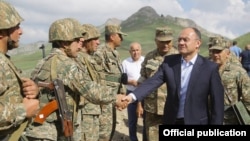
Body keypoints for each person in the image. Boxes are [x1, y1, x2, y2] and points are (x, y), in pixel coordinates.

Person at [24, 18, 125, 141]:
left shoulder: (43, 62)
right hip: (54, 130)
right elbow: (90, 90)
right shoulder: (65, 64)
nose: (80, 43)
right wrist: (115, 97)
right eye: (77, 40)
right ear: (64, 43)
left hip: (41, 130)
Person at [121, 27, 224, 125]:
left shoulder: (210, 68)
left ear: (198, 43)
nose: (181, 43)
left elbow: (217, 105)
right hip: (171, 121)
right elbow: (152, 82)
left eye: (185, 40)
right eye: (179, 40)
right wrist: (131, 96)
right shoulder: (169, 62)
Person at [0, 1, 40, 140]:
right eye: (16, 26)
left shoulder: (4, 60)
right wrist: (22, 111)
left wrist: (33, 90)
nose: (21, 31)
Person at [136, 26, 178, 141]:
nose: (165, 45)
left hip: (172, 109)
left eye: (168, 42)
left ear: (172, 40)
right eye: (162, 42)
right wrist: (139, 104)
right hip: (152, 109)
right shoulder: (149, 57)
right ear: (156, 41)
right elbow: (142, 81)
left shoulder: (180, 57)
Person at [93, 24, 127, 141]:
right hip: (103, 103)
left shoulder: (115, 54)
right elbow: (95, 78)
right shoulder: (100, 53)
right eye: (120, 36)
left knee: (110, 131)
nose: (122, 39)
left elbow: (116, 77)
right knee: (103, 134)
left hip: (112, 100)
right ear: (112, 37)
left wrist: (122, 94)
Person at [209, 40, 250, 124]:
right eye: (213, 51)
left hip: (231, 119)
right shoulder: (207, 71)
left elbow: (248, 98)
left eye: (219, 51)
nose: (215, 54)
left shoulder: (238, 72)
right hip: (212, 118)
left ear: (227, 53)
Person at [122, 42, 145, 141]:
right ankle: (133, 139)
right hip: (131, 94)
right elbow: (122, 79)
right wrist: (131, 82)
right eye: (133, 50)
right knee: (132, 121)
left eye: (137, 50)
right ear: (130, 52)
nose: (135, 52)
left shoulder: (145, 61)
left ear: (141, 50)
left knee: (146, 120)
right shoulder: (125, 63)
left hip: (145, 94)